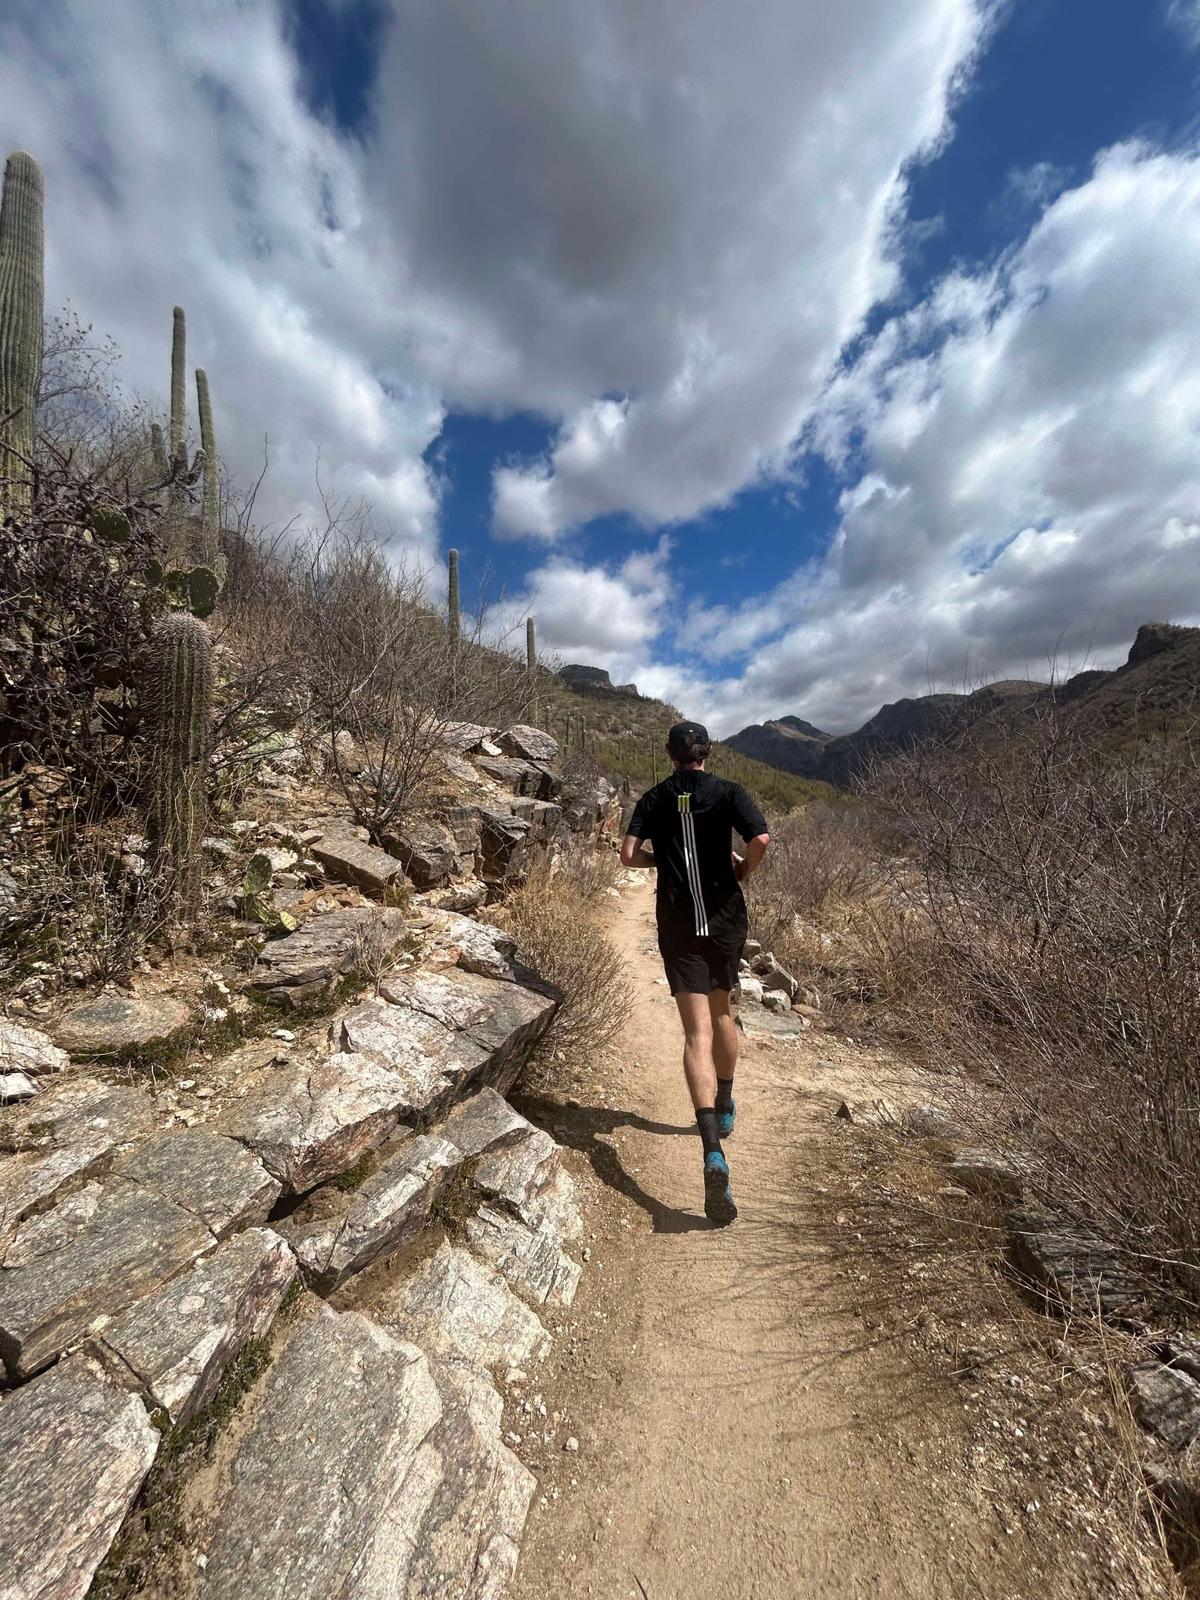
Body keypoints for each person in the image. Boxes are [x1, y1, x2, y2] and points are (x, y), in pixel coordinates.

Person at [619, 721, 770, 1225]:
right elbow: (761, 839)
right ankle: (726, 1105)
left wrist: (658, 858)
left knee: (694, 1032)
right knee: (724, 1017)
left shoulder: (655, 798)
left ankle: (711, 1151)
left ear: (670, 755)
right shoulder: (729, 792)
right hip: (725, 922)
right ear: (706, 753)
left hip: (679, 924)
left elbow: (626, 855)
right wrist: (741, 870)